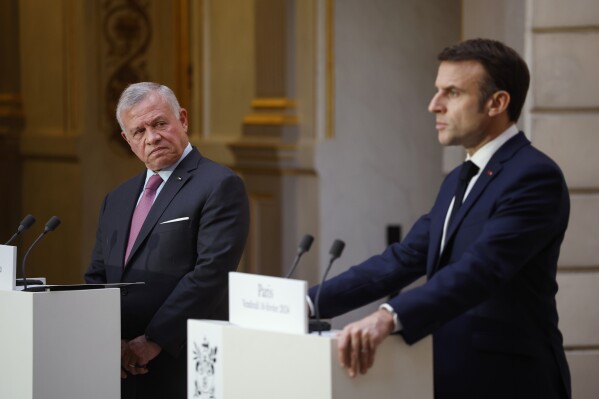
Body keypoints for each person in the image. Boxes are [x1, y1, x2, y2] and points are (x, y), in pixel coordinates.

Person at [308, 38, 571, 399]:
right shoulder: (457, 179)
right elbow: (403, 259)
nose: (434, 105)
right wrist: (307, 303)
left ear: (497, 102)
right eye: (437, 91)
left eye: (452, 93)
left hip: (509, 380)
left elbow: (481, 269)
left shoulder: (534, 176)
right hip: (446, 374)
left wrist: (389, 315)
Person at [85, 82, 249, 399]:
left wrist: (152, 341)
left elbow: (210, 275)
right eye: (139, 131)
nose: (152, 137)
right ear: (127, 140)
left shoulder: (220, 185)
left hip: (180, 360)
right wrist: (110, 341)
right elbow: (97, 274)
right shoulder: (116, 198)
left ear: (182, 120)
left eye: (160, 123)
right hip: (119, 365)